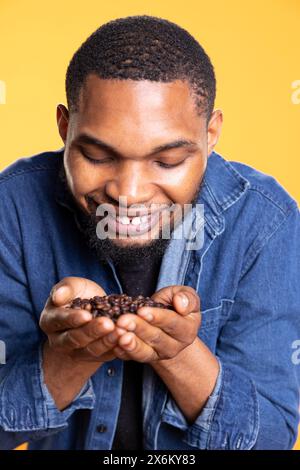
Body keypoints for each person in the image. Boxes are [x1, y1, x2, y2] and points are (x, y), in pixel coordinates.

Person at [0, 15, 299, 450]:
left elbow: (272, 438)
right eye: (99, 156)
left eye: (167, 161)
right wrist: (69, 357)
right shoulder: (12, 208)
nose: (129, 194)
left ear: (210, 134)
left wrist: (178, 353)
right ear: (65, 128)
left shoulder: (265, 222)